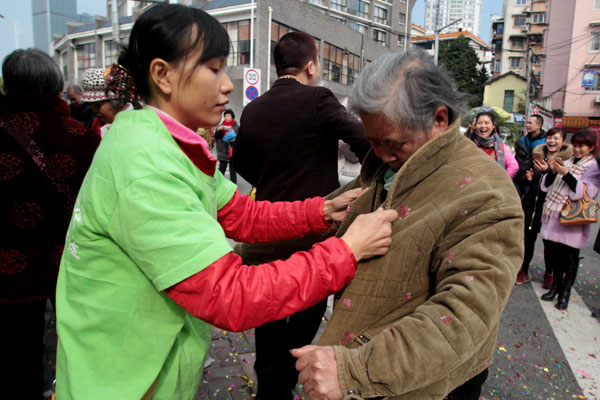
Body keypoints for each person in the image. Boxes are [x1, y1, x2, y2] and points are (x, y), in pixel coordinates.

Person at [54, 5, 397, 399]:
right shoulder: (144, 166)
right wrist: (346, 251)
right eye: (213, 68)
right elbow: (230, 294)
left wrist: (321, 210)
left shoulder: (169, 146)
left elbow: (241, 213)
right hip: (122, 381)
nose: (228, 84)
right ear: (163, 75)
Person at [288, 48, 524, 400]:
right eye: (372, 142)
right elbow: (323, 219)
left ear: (439, 119)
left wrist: (356, 370)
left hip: (423, 384)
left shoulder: (488, 194)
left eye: (393, 143)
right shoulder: (389, 169)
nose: (381, 155)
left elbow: (464, 316)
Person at [233, 31, 371, 399]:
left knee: (270, 304)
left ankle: (270, 380)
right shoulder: (318, 99)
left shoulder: (253, 109)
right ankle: (283, 378)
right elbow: (362, 140)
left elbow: (242, 162)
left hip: (267, 226)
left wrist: (268, 181)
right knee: (308, 302)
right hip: (314, 226)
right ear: (311, 66)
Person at [0, 48, 99, 400]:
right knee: (77, 337)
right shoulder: (78, 133)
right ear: (55, 84)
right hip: (69, 256)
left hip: (10, 263)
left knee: (19, 348)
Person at [539, 129, 599, 310]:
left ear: (592, 148)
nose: (578, 149)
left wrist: (566, 174)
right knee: (555, 256)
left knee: (570, 258)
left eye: (582, 146)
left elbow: (586, 192)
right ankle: (556, 286)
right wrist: (550, 171)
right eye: (576, 145)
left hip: (573, 219)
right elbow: (546, 187)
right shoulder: (567, 161)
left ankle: (565, 292)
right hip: (555, 215)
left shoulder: (594, 167)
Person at [516, 127, 572, 285]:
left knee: (551, 244)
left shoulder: (568, 161)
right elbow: (521, 175)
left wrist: (548, 171)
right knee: (528, 240)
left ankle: (549, 273)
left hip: (553, 207)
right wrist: (527, 177)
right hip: (531, 205)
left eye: (556, 138)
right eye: (549, 138)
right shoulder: (537, 155)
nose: (552, 141)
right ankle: (523, 270)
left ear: (563, 142)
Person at [81, 66, 140, 138]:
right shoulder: (98, 123)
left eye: (98, 105)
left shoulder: (139, 123)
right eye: (91, 105)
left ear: (119, 102)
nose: (94, 110)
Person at [467, 111, 519, 178]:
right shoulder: (469, 143)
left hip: (493, 186)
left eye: (487, 123)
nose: (483, 126)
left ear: (493, 126)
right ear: (475, 126)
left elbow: (514, 166)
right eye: (479, 123)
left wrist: (503, 181)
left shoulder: (499, 145)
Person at [514, 114, 546, 196]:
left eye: (530, 123)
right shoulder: (522, 139)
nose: (527, 125)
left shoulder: (545, 141)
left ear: (539, 125)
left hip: (532, 180)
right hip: (518, 178)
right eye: (527, 123)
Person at [215, 108, 238, 183]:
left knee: (233, 171)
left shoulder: (236, 127)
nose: (227, 118)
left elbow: (241, 138)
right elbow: (216, 137)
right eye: (225, 116)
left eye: (228, 116)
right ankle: (219, 185)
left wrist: (234, 135)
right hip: (223, 150)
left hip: (233, 151)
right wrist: (219, 131)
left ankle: (233, 186)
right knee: (221, 170)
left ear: (232, 117)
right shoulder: (220, 126)